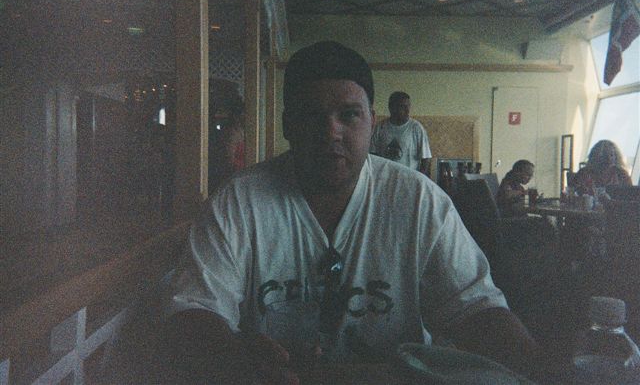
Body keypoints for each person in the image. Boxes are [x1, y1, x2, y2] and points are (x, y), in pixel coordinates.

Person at [162, 41, 544, 384]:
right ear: (287, 125)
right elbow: (194, 308)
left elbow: (475, 309)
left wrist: (544, 371)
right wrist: (232, 359)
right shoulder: (239, 202)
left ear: (372, 123)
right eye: (312, 115)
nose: (331, 132)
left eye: (349, 115)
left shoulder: (418, 200)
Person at [370, 91, 431, 177]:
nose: (407, 110)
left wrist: (418, 180)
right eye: (403, 106)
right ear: (391, 108)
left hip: (408, 180)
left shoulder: (416, 128)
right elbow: (372, 156)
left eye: (408, 106)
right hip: (385, 179)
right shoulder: (380, 128)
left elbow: (426, 159)